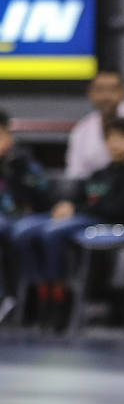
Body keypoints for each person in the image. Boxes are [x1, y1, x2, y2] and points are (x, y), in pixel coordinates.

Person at [11, 117, 124, 325]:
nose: (116, 144)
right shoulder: (100, 173)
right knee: (23, 230)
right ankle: (37, 292)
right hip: (80, 216)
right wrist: (65, 206)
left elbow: (118, 208)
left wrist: (77, 209)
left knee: (51, 233)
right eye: (111, 138)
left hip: (105, 221)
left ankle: (59, 297)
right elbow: (80, 197)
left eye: (122, 138)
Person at [0, 109, 52, 320]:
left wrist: (13, 168)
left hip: (22, 220)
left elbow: (42, 199)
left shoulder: (23, 163)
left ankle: (9, 296)